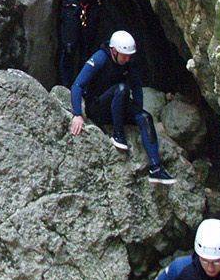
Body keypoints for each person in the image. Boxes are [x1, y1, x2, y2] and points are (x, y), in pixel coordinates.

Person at [69, 30, 176, 184]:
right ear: (113, 51)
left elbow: (137, 86)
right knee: (121, 88)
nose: (127, 59)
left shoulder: (129, 63)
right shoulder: (100, 58)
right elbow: (77, 85)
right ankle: (118, 136)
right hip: (98, 107)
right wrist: (77, 114)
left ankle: (156, 168)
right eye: (124, 55)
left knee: (145, 117)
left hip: (118, 105)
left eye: (129, 56)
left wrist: (138, 109)